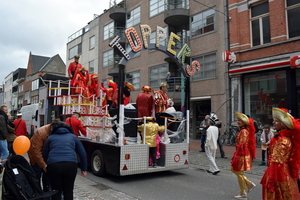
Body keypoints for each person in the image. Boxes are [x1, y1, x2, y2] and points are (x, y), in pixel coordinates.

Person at [260, 108, 300, 200]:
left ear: (283, 123)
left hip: (280, 174)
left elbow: (276, 162)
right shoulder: (283, 137)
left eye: (276, 121)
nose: (273, 122)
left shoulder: (282, 140)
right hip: (285, 172)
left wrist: (270, 179)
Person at [43, 121, 87, 200]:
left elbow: (45, 153)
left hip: (54, 165)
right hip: (70, 165)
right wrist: (83, 168)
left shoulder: (50, 138)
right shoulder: (73, 137)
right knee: (68, 190)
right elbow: (82, 153)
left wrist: (47, 164)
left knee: (55, 190)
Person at [27, 120, 61, 192]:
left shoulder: (55, 132)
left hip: (47, 156)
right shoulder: (41, 132)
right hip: (35, 157)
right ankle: (37, 192)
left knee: (47, 176)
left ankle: (47, 192)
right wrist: (43, 165)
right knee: (36, 175)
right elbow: (36, 151)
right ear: (51, 128)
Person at [231, 112, 256, 199]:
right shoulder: (242, 130)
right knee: (235, 170)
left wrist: (237, 155)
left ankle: (243, 192)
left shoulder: (244, 131)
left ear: (244, 122)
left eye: (240, 120)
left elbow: (242, 145)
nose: (238, 122)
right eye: (237, 120)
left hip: (242, 154)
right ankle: (248, 184)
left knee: (238, 172)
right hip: (240, 153)